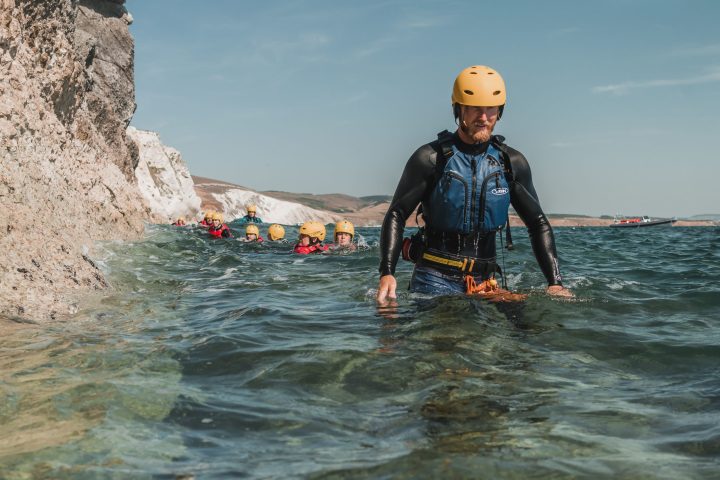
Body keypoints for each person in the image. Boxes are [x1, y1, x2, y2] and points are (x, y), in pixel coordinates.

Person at [376, 65, 572, 303]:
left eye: (490, 109)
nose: (483, 117)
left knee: (526, 333)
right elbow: (397, 213)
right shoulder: (429, 159)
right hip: (434, 278)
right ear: (459, 110)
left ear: (500, 111)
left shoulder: (511, 163)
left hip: (486, 281)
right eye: (474, 108)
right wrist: (387, 273)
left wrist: (555, 283)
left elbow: (537, 222)